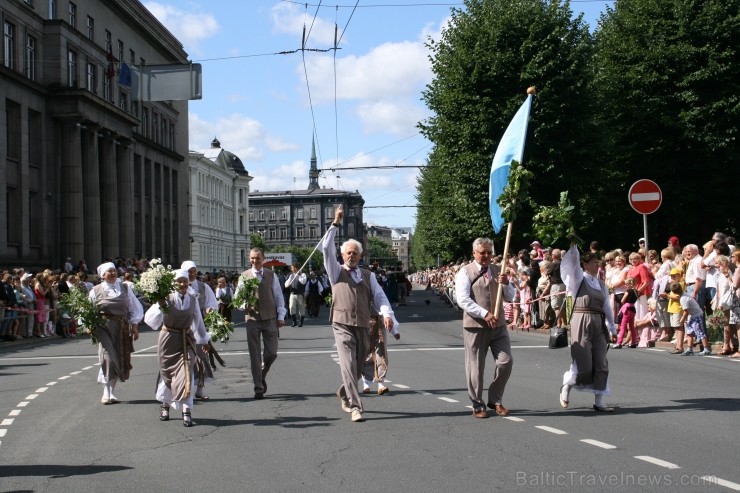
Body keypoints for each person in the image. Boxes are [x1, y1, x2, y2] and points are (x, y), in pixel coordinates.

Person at [321, 205, 397, 423]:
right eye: (348, 253)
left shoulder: (367, 275)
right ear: (342, 255)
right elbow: (326, 247)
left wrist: (386, 313)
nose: (351, 256)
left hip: (363, 324)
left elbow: (380, 296)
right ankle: (356, 407)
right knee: (347, 364)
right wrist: (335, 222)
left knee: (360, 364)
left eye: (355, 253)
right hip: (341, 323)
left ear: (360, 255)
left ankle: (344, 392)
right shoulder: (336, 271)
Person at [455, 237, 515, 419]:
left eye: (489, 252)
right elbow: (463, 299)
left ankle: (495, 399)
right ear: (474, 253)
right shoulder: (465, 272)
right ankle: (477, 404)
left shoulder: (498, 270)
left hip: (498, 325)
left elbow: (510, 296)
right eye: (483, 253)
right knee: (476, 367)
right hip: (476, 326)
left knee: (506, 362)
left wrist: (506, 284)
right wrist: (484, 314)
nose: (487, 256)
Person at [144, 269, 210, 427]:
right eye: (179, 281)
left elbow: (198, 322)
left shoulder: (193, 299)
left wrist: (204, 340)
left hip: (186, 339)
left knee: (186, 373)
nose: (182, 284)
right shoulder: (166, 298)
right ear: (173, 283)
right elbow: (149, 320)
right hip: (168, 340)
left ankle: (186, 411)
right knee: (167, 374)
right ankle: (165, 405)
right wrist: (160, 305)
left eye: (185, 281)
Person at [559, 244, 617, 412]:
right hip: (581, 319)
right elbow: (573, 265)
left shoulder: (601, 283)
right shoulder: (578, 280)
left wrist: (612, 326)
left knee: (601, 362)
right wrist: (574, 249)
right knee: (583, 362)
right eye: (593, 263)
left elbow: (606, 305)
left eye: (597, 263)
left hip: (598, 321)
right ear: (585, 264)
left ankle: (599, 401)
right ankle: (566, 386)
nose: (596, 265)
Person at [88, 262, 143, 404]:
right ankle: (106, 392)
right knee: (109, 358)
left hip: (122, 327)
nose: (112, 273)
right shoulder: (96, 290)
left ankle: (111, 391)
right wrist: (88, 325)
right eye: (109, 271)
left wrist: (135, 326)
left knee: (119, 358)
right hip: (104, 327)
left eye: (114, 271)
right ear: (103, 275)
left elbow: (134, 307)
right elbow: (88, 310)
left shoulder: (124, 287)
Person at [237, 248, 286, 400]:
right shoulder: (244, 276)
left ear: (263, 259)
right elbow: (237, 299)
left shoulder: (271, 275)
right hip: (252, 320)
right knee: (255, 356)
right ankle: (258, 387)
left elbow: (278, 295)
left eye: (258, 258)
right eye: (252, 258)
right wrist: (244, 303)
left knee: (272, 353)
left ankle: (262, 374)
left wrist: (281, 315)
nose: (255, 261)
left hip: (270, 317)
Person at [181, 260, 219, 400]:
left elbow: (212, 303)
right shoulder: (178, 286)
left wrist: (210, 309)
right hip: (182, 329)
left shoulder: (203, 287)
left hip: (198, 327)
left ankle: (200, 389)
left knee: (202, 358)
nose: (191, 274)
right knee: (184, 360)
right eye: (188, 271)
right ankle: (184, 388)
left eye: (193, 271)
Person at [672, 282, 711, 355]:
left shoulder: (684, 298)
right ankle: (689, 349)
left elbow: (686, 312)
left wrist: (682, 320)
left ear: (674, 292)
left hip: (696, 315)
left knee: (700, 331)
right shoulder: (684, 295)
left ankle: (706, 349)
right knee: (689, 332)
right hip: (692, 316)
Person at [613, 277, 637, 348]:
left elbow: (622, 300)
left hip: (627, 309)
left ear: (630, 284)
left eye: (626, 284)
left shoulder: (628, 291)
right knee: (632, 327)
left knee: (623, 326)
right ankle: (633, 342)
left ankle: (619, 343)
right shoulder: (636, 291)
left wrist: (624, 299)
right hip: (633, 309)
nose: (625, 286)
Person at [284, 263, 307, 327]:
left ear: (296, 268)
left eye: (293, 268)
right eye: (291, 268)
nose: (292, 269)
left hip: (300, 294)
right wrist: (288, 284)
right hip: (292, 294)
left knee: (301, 309)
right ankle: (294, 322)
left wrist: (299, 275)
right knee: (291, 307)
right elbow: (286, 284)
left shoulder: (303, 275)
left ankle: (301, 322)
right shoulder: (291, 276)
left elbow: (303, 282)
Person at [215, 277, 233, 342]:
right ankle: (222, 336)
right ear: (219, 283)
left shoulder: (229, 289)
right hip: (221, 307)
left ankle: (226, 334)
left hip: (227, 307)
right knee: (221, 322)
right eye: (221, 282)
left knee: (228, 321)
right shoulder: (218, 289)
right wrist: (219, 288)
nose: (223, 283)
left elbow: (232, 297)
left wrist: (233, 305)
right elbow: (217, 296)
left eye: (224, 282)